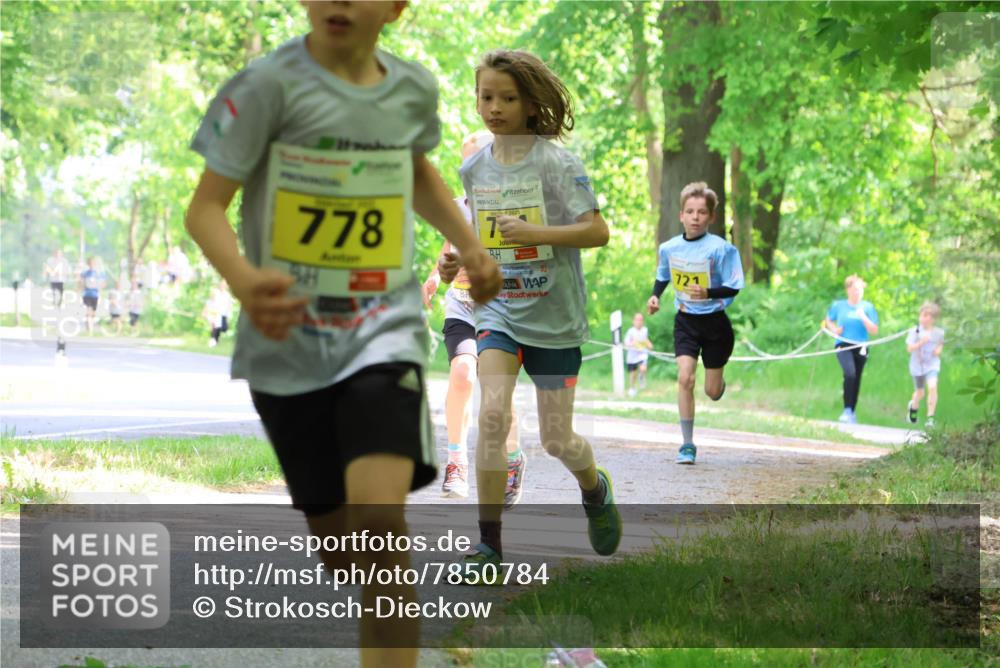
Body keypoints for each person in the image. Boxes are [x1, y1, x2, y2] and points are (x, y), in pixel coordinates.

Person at [184, 3, 501, 666]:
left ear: (395, 7)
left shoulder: (410, 88)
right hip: (287, 345)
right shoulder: (266, 85)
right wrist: (244, 282)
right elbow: (205, 207)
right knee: (339, 545)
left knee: (383, 528)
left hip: (380, 329)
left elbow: (414, 169)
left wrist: (468, 244)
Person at [457, 49, 621, 579]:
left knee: (556, 439)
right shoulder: (473, 168)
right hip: (499, 311)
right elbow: (483, 237)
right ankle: (488, 548)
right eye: (486, 97)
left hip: (554, 318)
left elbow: (597, 231)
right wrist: (459, 256)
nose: (495, 107)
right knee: (491, 417)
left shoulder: (558, 163)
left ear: (530, 105)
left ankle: (594, 491)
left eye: (507, 98)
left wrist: (537, 234)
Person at [423, 131, 525, 504]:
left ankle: (513, 459)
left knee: (497, 390)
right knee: (463, 372)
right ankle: (456, 461)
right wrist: (436, 276)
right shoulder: (456, 207)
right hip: (464, 305)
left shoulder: (513, 206)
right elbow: (448, 249)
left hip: (501, 309)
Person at [647, 182, 744, 465]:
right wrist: (655, 296)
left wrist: (709, 292)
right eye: (690, 211)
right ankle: (687, 444)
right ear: (681, 215)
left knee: (711, 392)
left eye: (702, 212)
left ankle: (718, 385)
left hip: (715, 325)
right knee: (685, 377)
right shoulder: (669, 248)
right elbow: (664, 275)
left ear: (711, 217)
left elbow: (734, 286)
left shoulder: (721, 249)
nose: (695, 217)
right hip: (686, 321)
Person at [823, 274, 879, 424]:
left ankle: (851, 412)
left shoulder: (868, 307)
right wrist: (834, 329)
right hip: (843, 344)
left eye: (860, 289)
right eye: (854, 289)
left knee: (857, 378)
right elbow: (828, 319)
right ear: (848, 290)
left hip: (861, 346)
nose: (857, 292)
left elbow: (874, 330)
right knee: (850, 374)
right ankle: (846, 410)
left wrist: (864, 318)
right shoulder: (839, 305)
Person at [906, 301, 944, 428]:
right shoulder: (915, 331)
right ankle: (913, 407)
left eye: (927, 315)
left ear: (933, 318)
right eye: (922, 315)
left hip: (932, 365)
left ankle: (930, 418)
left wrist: (938, 351)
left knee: (933, 387)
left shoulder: (939, 333)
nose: (924, 318)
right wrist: (921, 342)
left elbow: (940, 345)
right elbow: (910, 349)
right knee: (920, 392)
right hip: (917, 366)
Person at [624, 312, 652, 397]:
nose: (639, 322)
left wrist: (649, 344)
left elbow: (646, 340)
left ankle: (642, 377)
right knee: (633, 374)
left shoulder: (645, 330)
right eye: (637, 319)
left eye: (640, 320)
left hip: (642, 353)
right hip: (632, 355)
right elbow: (626, 342)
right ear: (633, 321)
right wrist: (632, 344)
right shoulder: (630, 331)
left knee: (643, 368)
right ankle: (632, 388)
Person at [79, 257, 106, 335]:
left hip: (95, 294)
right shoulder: (85, 273)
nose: (91, 265)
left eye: (93, 263)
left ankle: (91, 325)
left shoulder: (99, 273)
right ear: (88, 264)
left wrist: (99, 287)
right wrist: (81, 287)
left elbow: (103, 283)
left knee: (93, 312)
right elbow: (81, 281)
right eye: (90, 263)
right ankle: (89, 329)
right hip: (87, 294)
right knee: (88, 310)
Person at [203, 279, 234, 348]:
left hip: (223, 313)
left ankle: (215, 340)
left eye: (225, 284)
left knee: (224, 328)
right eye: (222, 284)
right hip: (214, 312)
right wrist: (205, 311)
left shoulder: (227, 295)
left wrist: (229, 315)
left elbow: (229, 306)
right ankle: (213, 341)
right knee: (216, 326)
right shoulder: (215, 292)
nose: (223, 285)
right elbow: (209, 301)